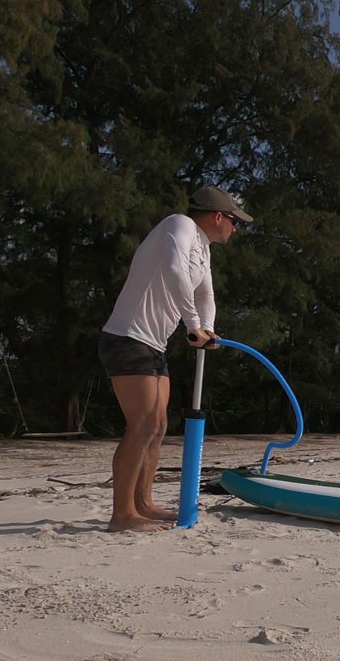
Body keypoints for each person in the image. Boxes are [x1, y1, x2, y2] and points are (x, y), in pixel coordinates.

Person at [98, 185, 253, 531]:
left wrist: (208, 329)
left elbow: (206, 294)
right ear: (218, 217)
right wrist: (193, 326)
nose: (235, 228)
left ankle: (144, 503)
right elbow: (173, 270)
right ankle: (121, 515)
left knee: (158, 425)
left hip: (153, 343)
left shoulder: (203, 249)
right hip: (126, 337)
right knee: (141, 424)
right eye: (234, 221)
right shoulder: (179, 225)